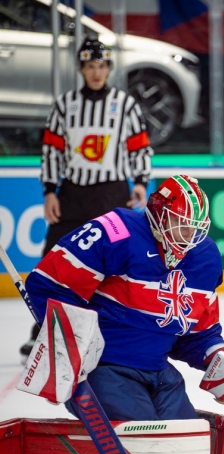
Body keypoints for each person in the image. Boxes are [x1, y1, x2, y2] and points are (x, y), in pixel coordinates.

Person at [24, 175, 224, 423]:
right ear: (159, 215)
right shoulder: (116, 231)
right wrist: (72, 344)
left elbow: (197, 335)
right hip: (103, 370)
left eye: (196, 228)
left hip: (161, 374)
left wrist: (222, 360)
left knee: (190, 444)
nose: (189, 237)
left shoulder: (205, 257)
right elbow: (50, 283)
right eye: (182, 225)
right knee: (148, 442)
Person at [19, 38, 153, 362]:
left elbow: (139, 147)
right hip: (74, 193)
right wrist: (50, 190)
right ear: (81, 68)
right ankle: (44, 332)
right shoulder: (65, 105)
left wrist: (140, 183)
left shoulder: (125, 104)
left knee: (116, 266)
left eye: (102, 66)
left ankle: (113, 331)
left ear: (109, 68)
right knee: (55, 261)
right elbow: (51, 150)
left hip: (112, 193)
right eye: (90, 66)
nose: (96, 72)